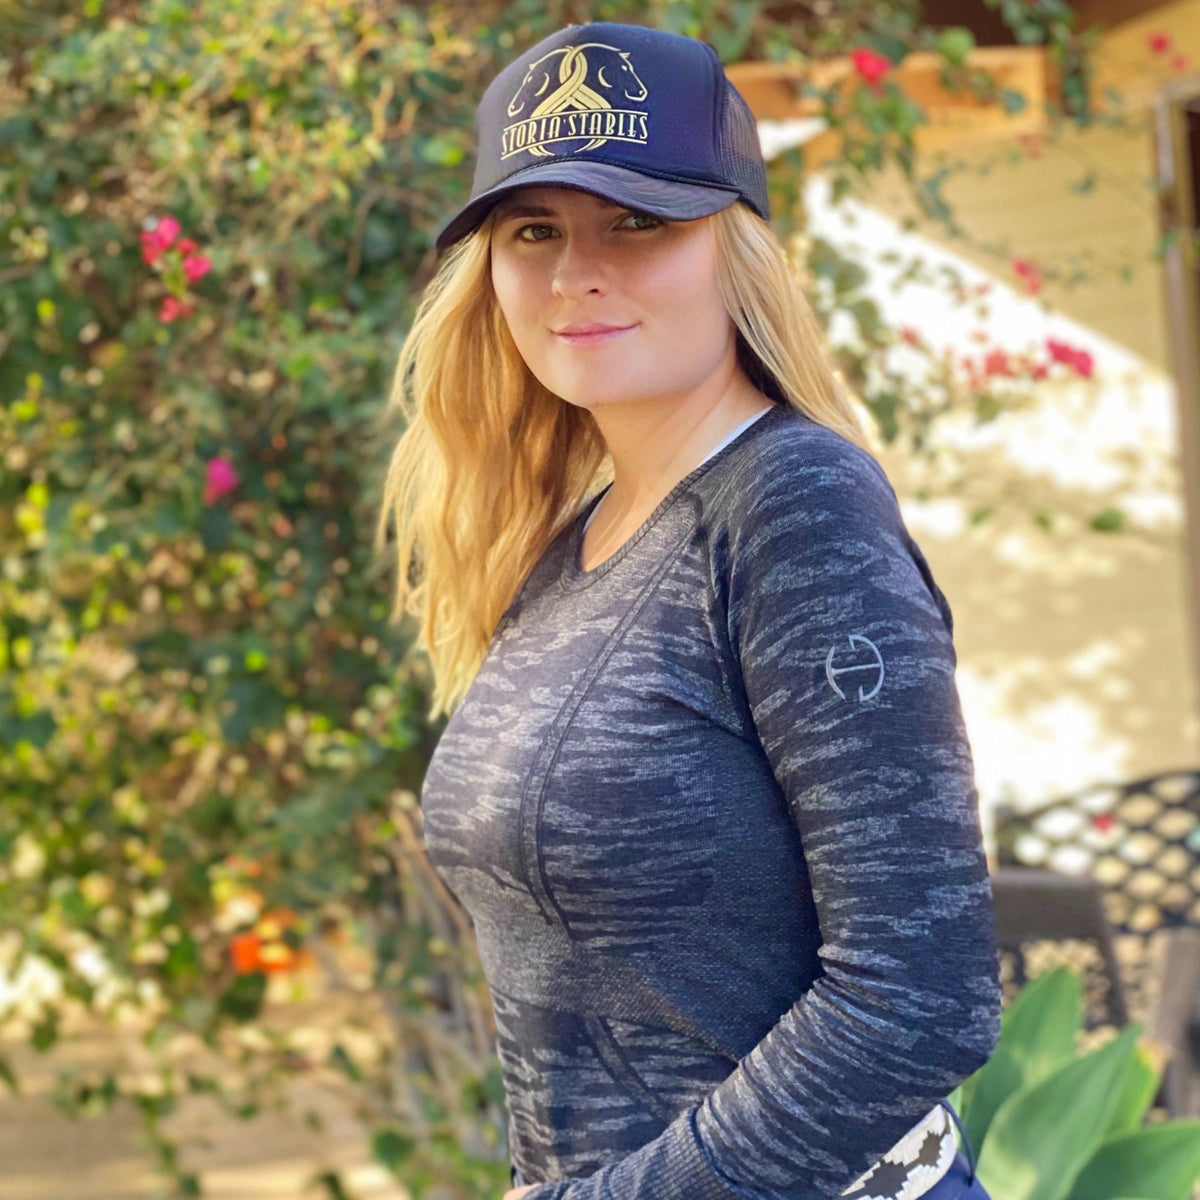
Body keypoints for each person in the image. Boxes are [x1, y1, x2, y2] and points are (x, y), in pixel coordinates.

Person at [374, 20, 1002, 1200]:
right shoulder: (571, 545)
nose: (575, 271)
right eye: (533, 230)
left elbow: (922, 993)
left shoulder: (796, 505)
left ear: (735, 247)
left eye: (638, 220)